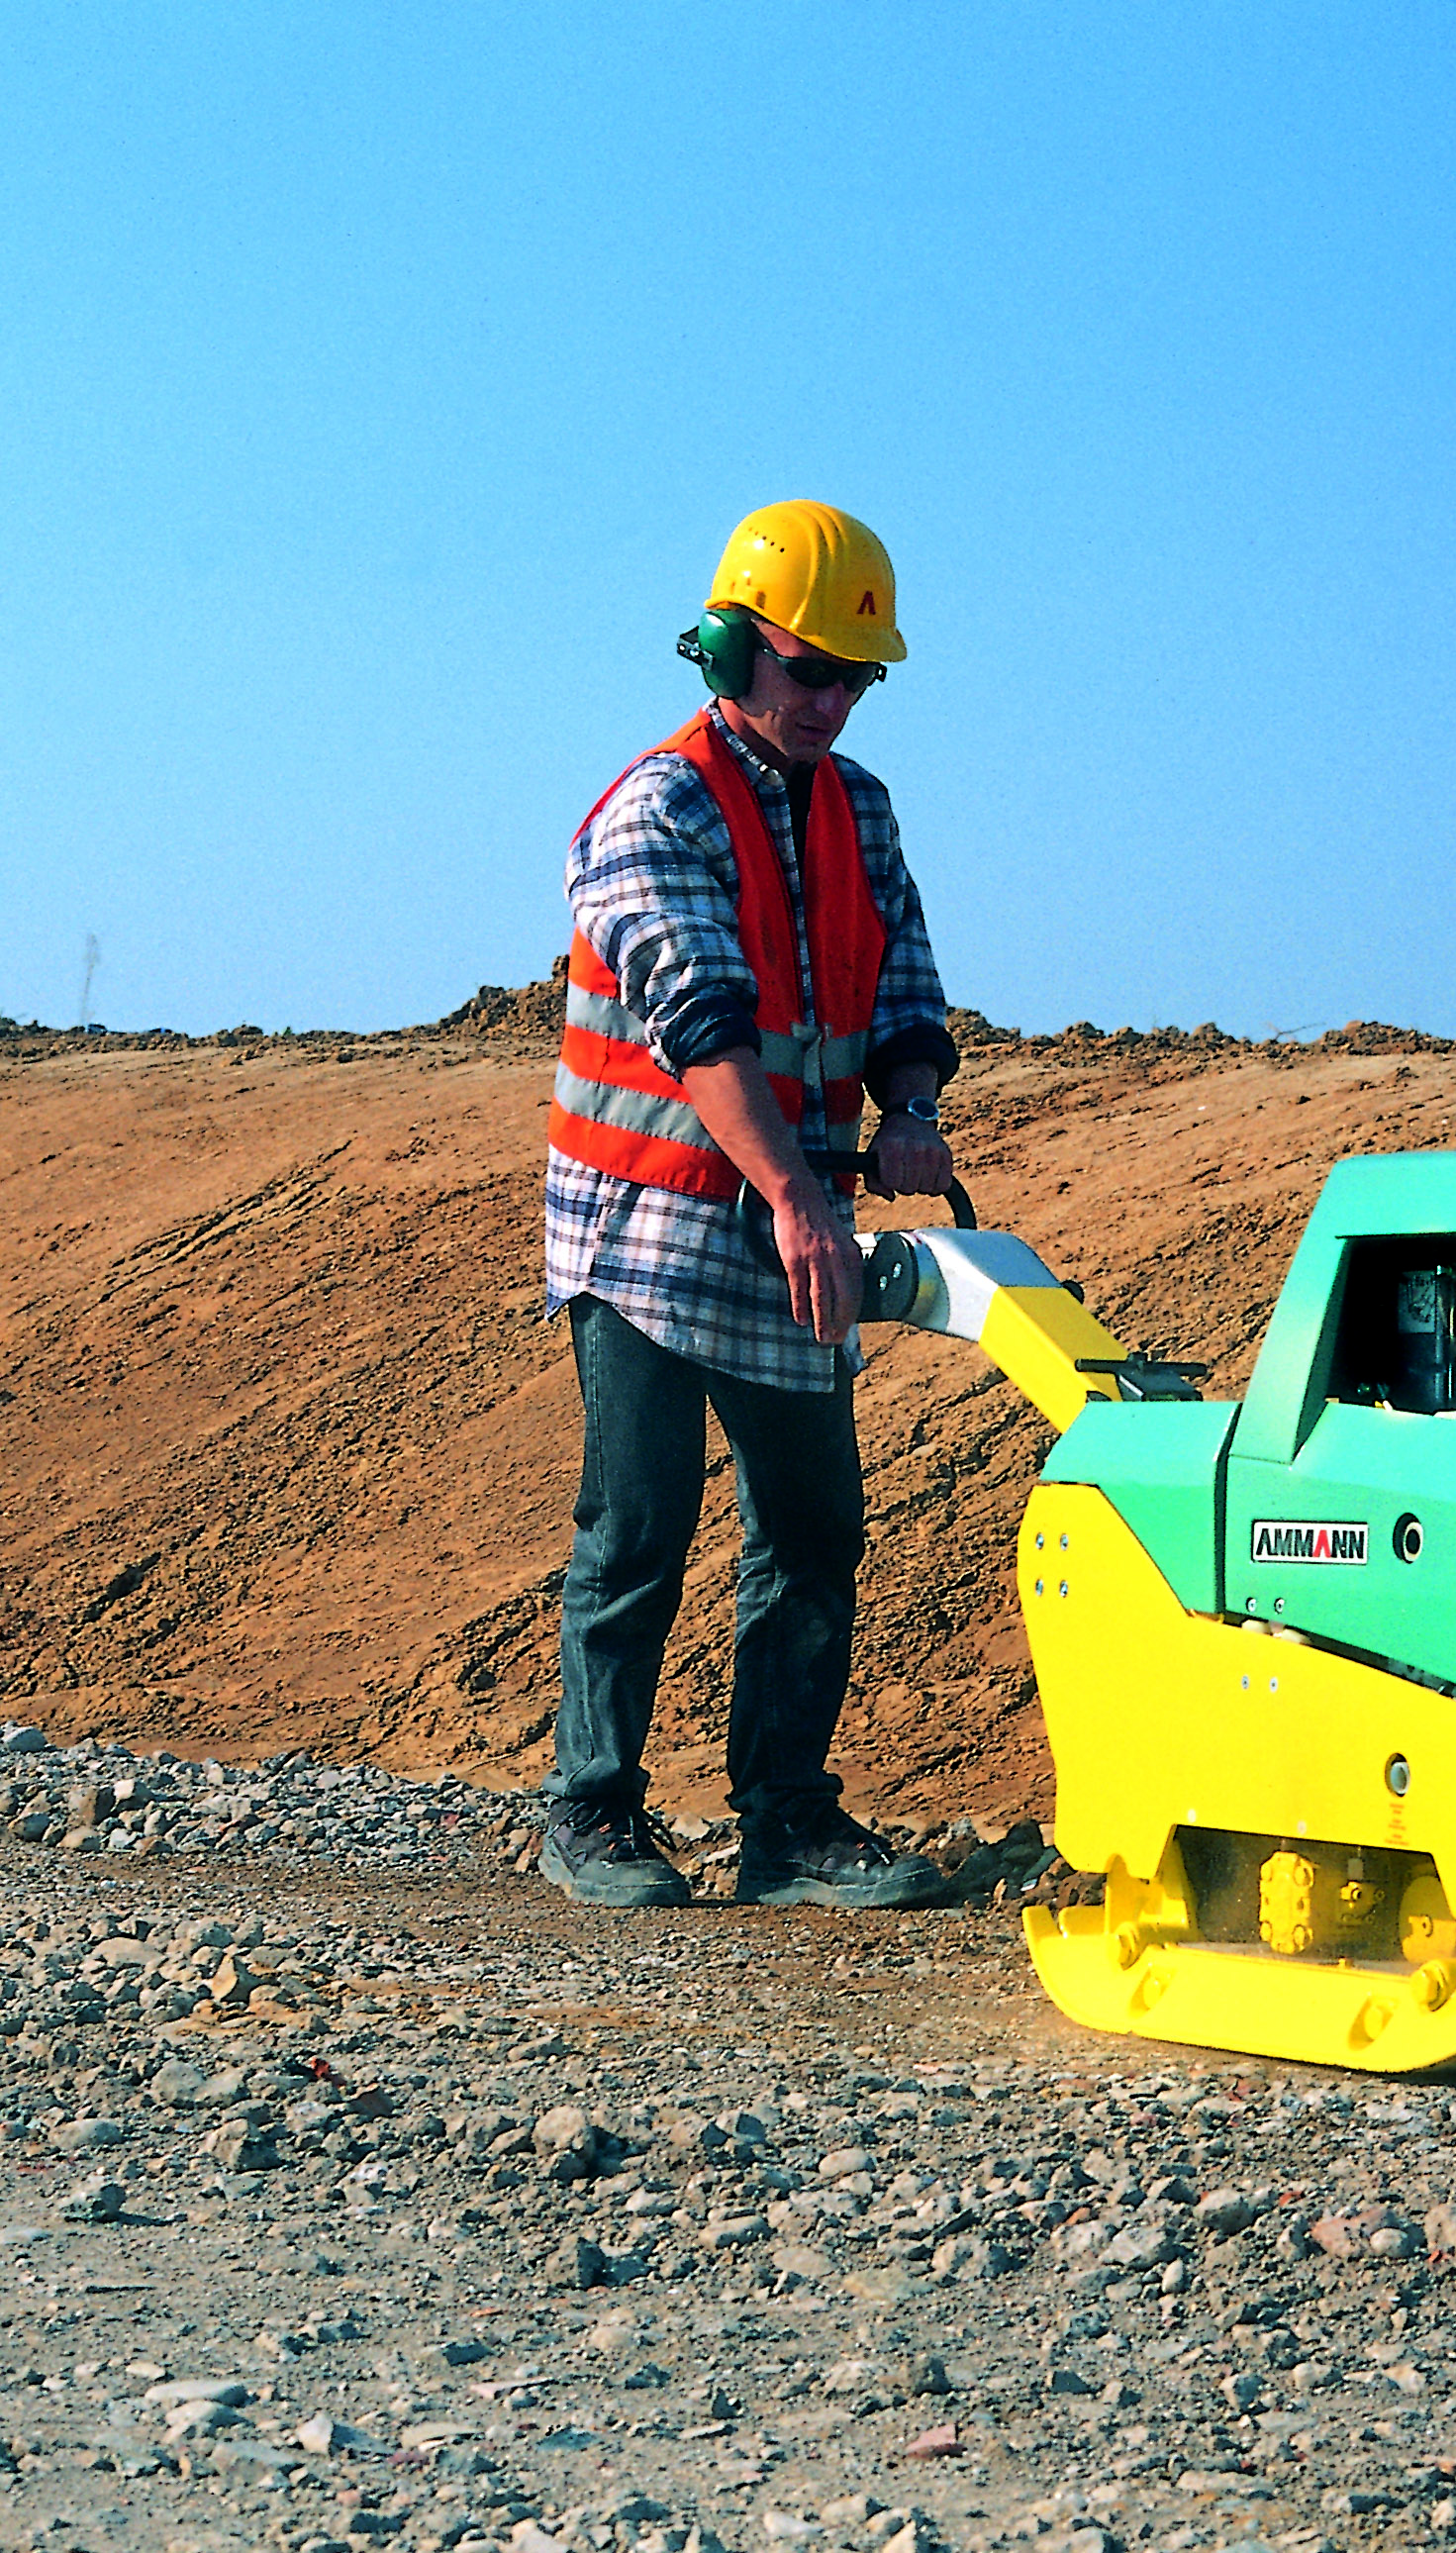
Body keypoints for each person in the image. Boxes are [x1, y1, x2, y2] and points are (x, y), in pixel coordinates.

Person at [537, 501, 961, 1911]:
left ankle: (786, 1817)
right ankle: (591, 1811)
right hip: (647, 1219)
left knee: (814, 1526)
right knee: (639, 1521)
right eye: (805, 671)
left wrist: (909, 1105)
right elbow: (701, 1020)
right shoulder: (653, 809)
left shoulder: (864, 808)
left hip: (790, 1224)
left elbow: (901, 981)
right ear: (726, 650)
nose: (829, 701)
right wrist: (796, 1191)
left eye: (854, 678)